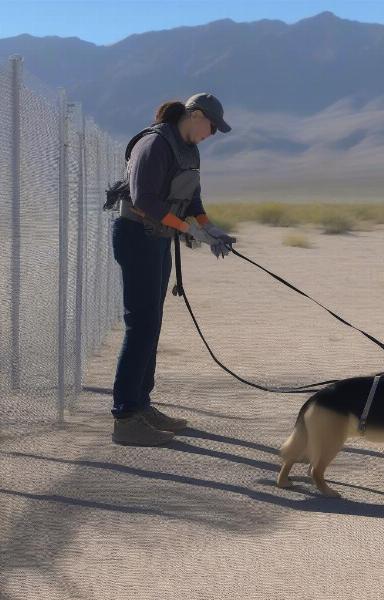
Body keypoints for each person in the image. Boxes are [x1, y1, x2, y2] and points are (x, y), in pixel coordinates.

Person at [111, 92, 236, 446]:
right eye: (211, 126)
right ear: (194, 115)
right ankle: (124, 417)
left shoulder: (188, 150)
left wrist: (209, 229)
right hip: (136, 236)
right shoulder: (154, 144)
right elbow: (144, 200)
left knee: (152, 322)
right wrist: (187, 230)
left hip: (158, 238)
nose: (211, 134)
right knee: (141, 325)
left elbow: (192, 198)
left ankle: (141, 405)